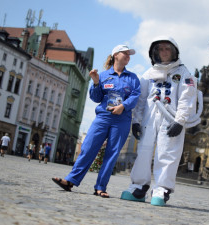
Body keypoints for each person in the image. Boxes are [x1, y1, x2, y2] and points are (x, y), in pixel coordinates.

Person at [52, 44, 140, 197]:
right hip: (103, 118)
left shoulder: (132, 78)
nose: (128, 56)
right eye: (125, 53)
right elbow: (96, 98)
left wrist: (123, 106)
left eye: (129, 54)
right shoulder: (104, 75)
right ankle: (70, 181)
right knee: (88, 148)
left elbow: (135, 96)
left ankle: (100, 188)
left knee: (112, 154)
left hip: (122, 120)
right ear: (115, 55)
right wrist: (96, 82)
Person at [121, 36, 199, 206]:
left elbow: (187, 99)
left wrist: (180, 121)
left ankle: (162, 189)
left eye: (167, 49)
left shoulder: (184, 73)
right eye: (160, 49)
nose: (163, 52)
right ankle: (138, 187)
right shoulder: (149, 74)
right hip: (149, 119)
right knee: (143, 151)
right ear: (154, 52)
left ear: (174, 51)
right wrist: (136, 121)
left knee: (167, 153)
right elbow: (141, 99)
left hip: (171, 119)